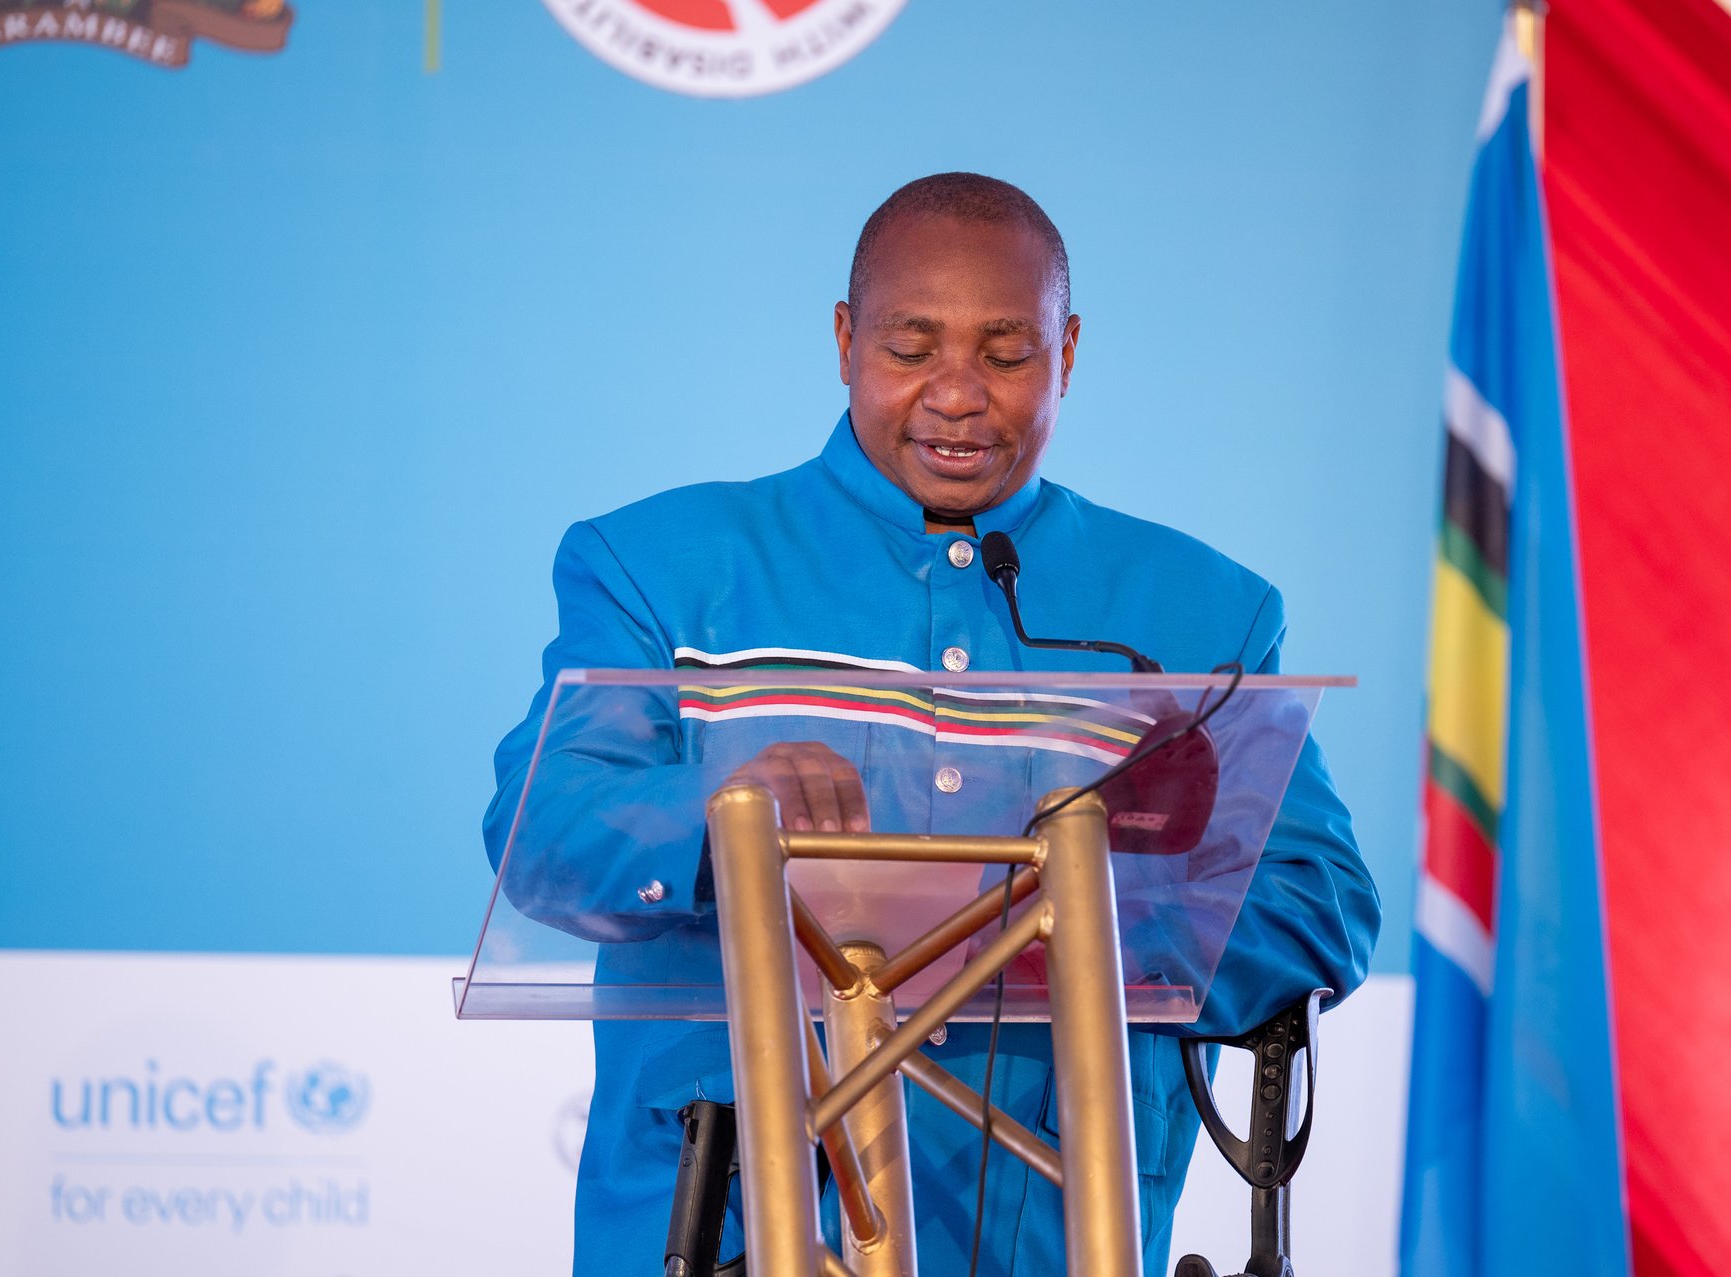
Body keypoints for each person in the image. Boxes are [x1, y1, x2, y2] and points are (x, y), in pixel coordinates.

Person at [485, 172, 1380, 1276]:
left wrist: (1080, 925)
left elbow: (1319, 903)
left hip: (1058, 1235)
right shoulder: (662, 566)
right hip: (730, 1223)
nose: (957, 395)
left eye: (1006, 354)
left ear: (1068, 353)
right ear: (844, 339)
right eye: (911, 349)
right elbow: (541, 830)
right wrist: (723, 810)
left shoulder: (1199, 612)